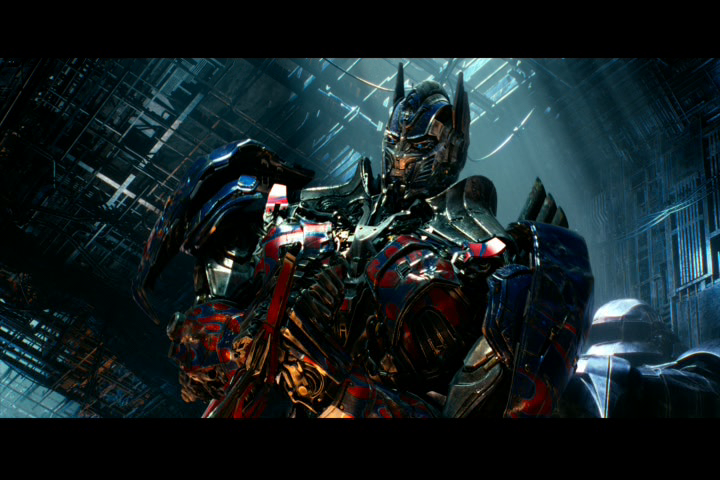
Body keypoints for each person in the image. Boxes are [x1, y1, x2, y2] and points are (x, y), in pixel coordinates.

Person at [133, 64, 594, 418]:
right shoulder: (310, 207)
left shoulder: (488, 250)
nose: (404, 155)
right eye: (397, 139)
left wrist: (336, 386)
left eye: (420, 144)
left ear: (450, 145)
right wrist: (235, 337)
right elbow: (197, 341)